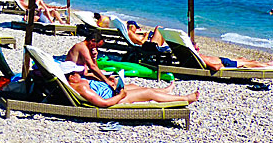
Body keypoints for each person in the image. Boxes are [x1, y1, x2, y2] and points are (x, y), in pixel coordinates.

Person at [63, 63, 199, 107]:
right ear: (71, 77)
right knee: (148, 93)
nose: (78, 73)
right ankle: (184, 99)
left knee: (135, 85)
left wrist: (111, 83)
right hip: (116, 98)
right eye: (75, 72)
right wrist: (120, 94)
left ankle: (165, 91)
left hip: (113, 91)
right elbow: (103, 103)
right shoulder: (82, 87)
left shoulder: (78, 82)